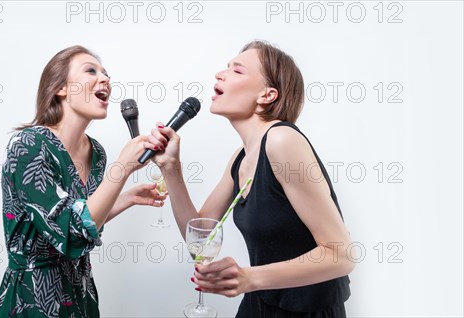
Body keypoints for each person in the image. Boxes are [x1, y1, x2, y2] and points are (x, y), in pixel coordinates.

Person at [145, 40, 354, 317]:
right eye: (226, 67)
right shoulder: (240, 157)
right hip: (258, 304)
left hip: (305, 311)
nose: (220, 74)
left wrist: (249, 278)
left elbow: (340, 255)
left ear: (267, 95)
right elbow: (199, 237)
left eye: (237, 70)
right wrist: (171, 168)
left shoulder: (282, 140)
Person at [0, 45, 165, 317]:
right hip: (33, 298)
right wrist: (121, 168)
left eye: (106, 73)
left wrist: (126, 199)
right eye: (91, 70)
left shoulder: (96, 153)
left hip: (80, 293)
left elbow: (85, 221)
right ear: (61, 88)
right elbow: (68, 232)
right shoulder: (28, 146)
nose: (105, 79)